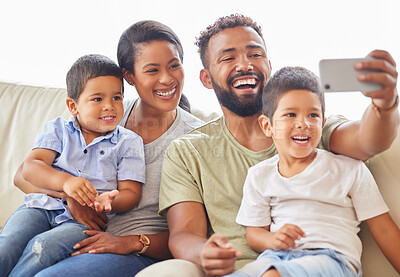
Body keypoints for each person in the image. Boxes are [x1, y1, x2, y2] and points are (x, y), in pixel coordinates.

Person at [136, 14, 399, 277]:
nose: (245, 65)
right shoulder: (188, 151)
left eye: (255, 54)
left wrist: (384, 106)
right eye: (228, 58)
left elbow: (367, 140)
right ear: (206, 78)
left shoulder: (311, 129)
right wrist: (204, 253)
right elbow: (183, 234)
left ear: (269, 65)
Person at [12, 21, 204, 276]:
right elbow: (22, 177)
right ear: (129, 76)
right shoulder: (105, 113)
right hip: (76, 230)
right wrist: (71, 197)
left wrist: (130, 242)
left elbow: (193, 234)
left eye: (174, 65)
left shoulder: (197, 139)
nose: (167, 78)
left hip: (132, 251)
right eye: (152, 70)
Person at [224, 66, 400, 277]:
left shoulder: (349, 168)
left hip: (334, 259)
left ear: (323, 122)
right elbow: (254, 233)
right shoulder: (259, 175)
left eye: (313, 115)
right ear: (267, 125)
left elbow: (384, 229)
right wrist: (273, 239)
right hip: (276, 258)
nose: (303, 123)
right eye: (290, 114)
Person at [0, 54, 145, 276]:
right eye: (98, 99)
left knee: (43, 248)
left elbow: (131, 193)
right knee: (7, 244)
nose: (109, 106)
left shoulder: (128, 142)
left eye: (117, 98)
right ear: (73, 105)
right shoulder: (58, 129)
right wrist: (66, 183)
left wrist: (110, 201)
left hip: (83, 222)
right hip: (40, 207)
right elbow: (30, 167)